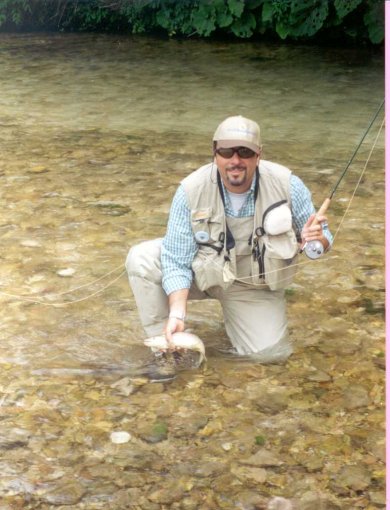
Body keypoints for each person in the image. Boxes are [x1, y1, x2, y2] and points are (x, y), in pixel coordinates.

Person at [126, 115, 332, 369]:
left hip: (253, 286)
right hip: (202, 273)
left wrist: (318, 240)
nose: (235, 160)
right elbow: (176, 259)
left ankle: (235, 327)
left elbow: (320, 245)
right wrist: (177, 313)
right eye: (226, 151)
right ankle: (167, 347)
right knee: (142, 258)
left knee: (270, 356)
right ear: (215, 153)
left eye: (244, 152)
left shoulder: (288, 185)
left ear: (259, 155)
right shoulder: (190, 189)